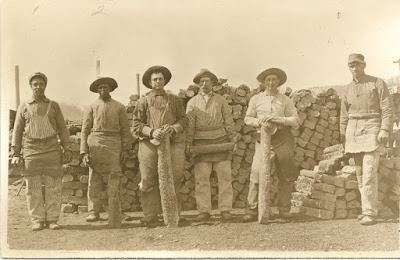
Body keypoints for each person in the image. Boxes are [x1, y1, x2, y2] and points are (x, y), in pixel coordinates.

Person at [11, 72, 72, 231]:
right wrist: (15, 153)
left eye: (41, 84)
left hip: (52, 149)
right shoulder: (24, 106)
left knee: (54, 186)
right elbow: (17, 131)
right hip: (31, 149)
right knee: (33, 186)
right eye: (35, 84)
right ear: (31, 87)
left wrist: (67, 148)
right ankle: (37, 219)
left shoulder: (54, 105)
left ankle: (52, 219)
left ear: (45, 86)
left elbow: (63, 129)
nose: (38, 87)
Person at [340, 54, 394, 225]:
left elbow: (387, 108)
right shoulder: (347, 88)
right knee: (360, 173)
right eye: (351, 66)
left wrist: (385, 129)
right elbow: (344, 115)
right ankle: (366, 209)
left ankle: (370, 211)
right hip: (353, 131)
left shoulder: (377, 83)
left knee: (369, 170)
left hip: (372, 127)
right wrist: (343, 135)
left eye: (357, 65)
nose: (354, 69)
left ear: (364, 65)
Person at [242, 68, 299, 224]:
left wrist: (277, 119)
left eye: (274, 79)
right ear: (263, 82)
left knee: (286, 173)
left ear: (279, 82)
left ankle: (284, 209)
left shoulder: (286, 100)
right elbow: (248, 119)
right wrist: (258, 121)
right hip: (263, 138)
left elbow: (295, 119)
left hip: (283, 138)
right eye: (268, 80)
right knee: (256, 172)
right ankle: (252, 209)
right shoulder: (256, 99)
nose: (271, 83)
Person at [132, 65, 187, 224]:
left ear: (165, 81)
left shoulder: (175, 100)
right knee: (148, 178)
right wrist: (151, 131)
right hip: (149, 145)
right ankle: (150, 215)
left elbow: (184, 120)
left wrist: (173, 128)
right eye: (155, 79)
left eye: (160, 79)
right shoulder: (143, 102)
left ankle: (172, 214)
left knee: (174, 177)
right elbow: (136, 124)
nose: (158, 82)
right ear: (149, 82)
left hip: (173, 144)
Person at [186, 69, 236, 221]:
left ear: (213, 84)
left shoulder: (221, 100)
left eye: (207, 81)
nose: (204, 84)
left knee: (225, 177)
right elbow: (189, 126)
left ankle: (226, 209)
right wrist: (189, 143)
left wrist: (232, 139)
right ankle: (204, 211)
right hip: (201, 143)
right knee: (202, 179)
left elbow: (228, 120)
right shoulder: (192, 102)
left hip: (220, 141)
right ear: (198, 85)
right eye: (201, 82)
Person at [80, 77, 131, 227]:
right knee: (94, 179)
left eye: (106, 87)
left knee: (114, 178)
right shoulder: (91, 107)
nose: (103, 90)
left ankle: (116, 210)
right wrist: (84, 151)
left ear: (111, 89)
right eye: (100, 88)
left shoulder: (119, 107)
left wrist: (126, 148)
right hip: (96, 143)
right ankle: (93, 211)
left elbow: (126, 130)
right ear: (97, 90)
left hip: (114, 143)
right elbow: (84, 130)